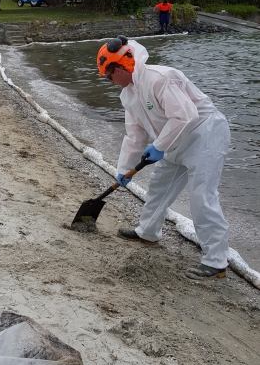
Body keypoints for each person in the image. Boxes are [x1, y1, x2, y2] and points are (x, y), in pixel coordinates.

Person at [96, 36, 230, 280]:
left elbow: (185, 115)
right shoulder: (128, 96)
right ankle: (147, 232)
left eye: (109, 76)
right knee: (159, 186)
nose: (110, 81)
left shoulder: (158, 78)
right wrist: (123, 169)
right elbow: (134, 136)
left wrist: (158, 146)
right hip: (172, 139)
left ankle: (216, 261)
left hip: (205, 134)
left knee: (202, 195)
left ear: (118, 68)